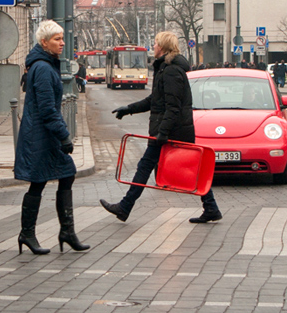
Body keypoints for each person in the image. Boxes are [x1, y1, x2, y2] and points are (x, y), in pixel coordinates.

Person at [100, 30, 222, 224]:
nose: (153, 46)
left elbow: (173, 107)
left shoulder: (171, 70)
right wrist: (129, 109)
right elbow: (154, 101)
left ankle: (125, 207)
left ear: (163, 47)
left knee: (146, 166)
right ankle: (211, 207)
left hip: (171, 130)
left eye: (156, 43)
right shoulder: (165, 68)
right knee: (191, 167)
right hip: (172, 129)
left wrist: (163, 133)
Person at [14, 20, 89, 255]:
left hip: (44, 135)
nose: (62, 43)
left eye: (62, 38)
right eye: (57, 39)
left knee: (65, 173)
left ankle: (66, 231)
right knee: (39, 181)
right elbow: (47, 109)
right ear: (44, 42)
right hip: (40, 136)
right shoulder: (44, 68)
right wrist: (65, 136)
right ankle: (28, 233)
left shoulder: (46, 64)